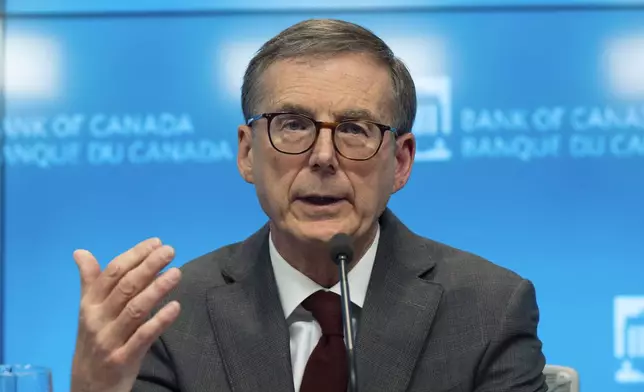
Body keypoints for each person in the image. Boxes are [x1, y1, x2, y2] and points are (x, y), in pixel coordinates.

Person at [70, 18, 548, 392]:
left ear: (400, 162)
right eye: (293, 125)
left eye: (355, 129)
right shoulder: (171, 318)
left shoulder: (489, 309)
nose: (323, 157)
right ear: (246, 153)